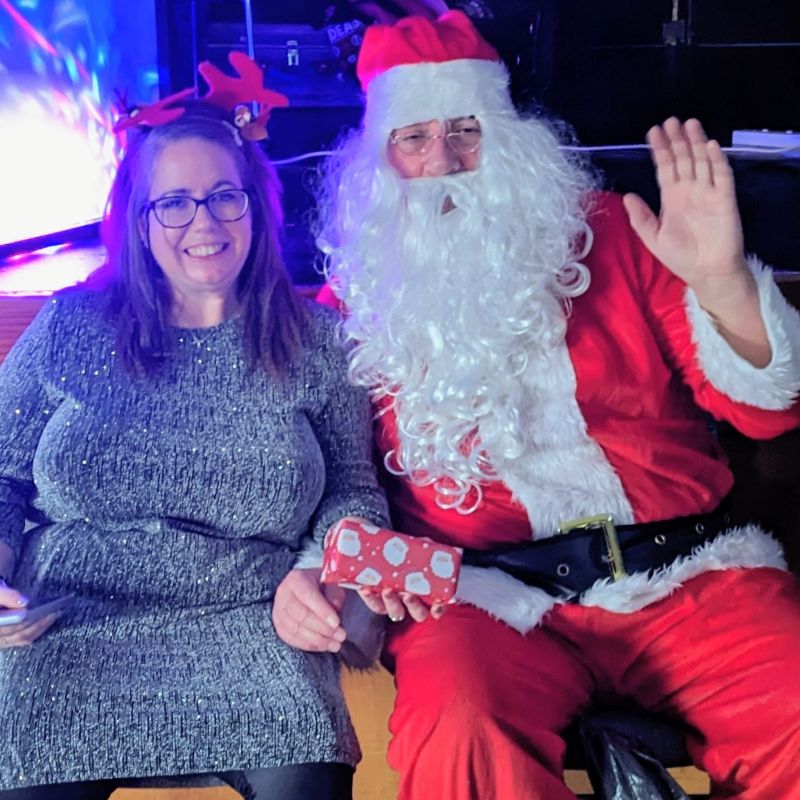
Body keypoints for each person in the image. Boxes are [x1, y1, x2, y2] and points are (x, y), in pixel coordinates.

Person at [274, 10, 800, 800]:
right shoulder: (353, 299)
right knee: (458, 733)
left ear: (510, 137)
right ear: (378, 164)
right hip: (487, 601)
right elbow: (317, 468)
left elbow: (764, 410)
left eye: (466, 129)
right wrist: (323, 567)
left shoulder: (618, 239)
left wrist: (723, 281)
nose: (444, 162)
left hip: (694, 577)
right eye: (413, 139)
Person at [0, 57, 389, 800]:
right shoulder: (68, 327)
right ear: (139, 221)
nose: (204, 224)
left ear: (256, 204)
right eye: (173, 203)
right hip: (71, 620)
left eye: (223, 197)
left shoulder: (318, 340)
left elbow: (354, 493)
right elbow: (2, 475)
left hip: (252, 618)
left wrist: (319, 571)